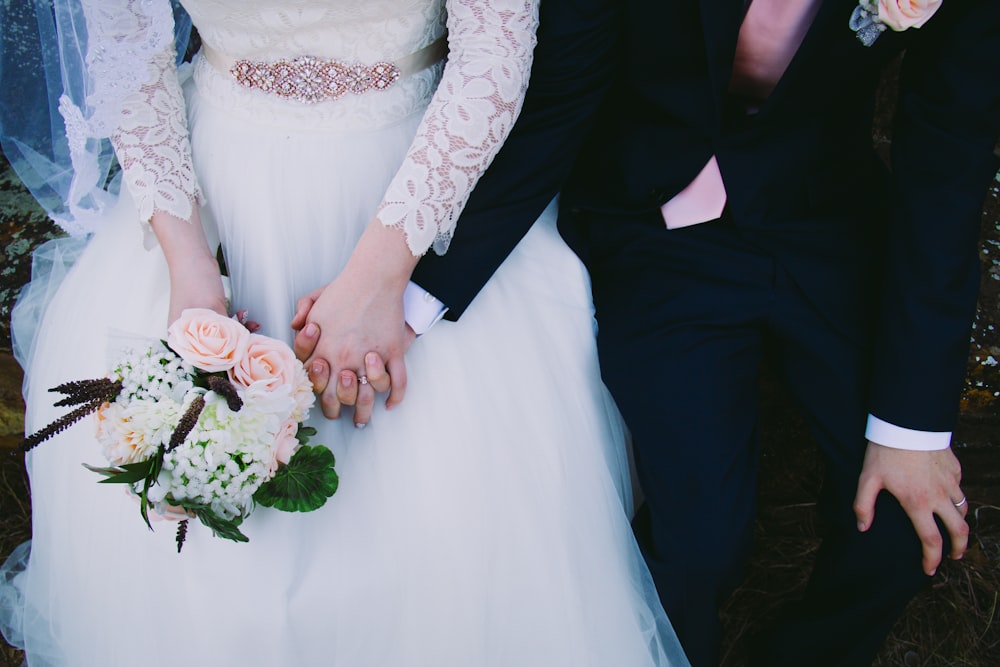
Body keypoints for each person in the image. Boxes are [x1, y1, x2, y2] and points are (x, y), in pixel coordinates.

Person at [296, 1, 1000, 665]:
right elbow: (564, 90)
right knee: (699, 544)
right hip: (656, 226)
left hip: (825, 219)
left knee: (905, 530)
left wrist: (911, 431)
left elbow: (948, 161)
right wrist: (410, 295)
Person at [0, 0, 691, 665]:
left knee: (445, 532)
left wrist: (381, 277)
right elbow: (126, 48)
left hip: (417, 183)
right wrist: (191, 272)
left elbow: (494, 52)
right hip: (212, 186)